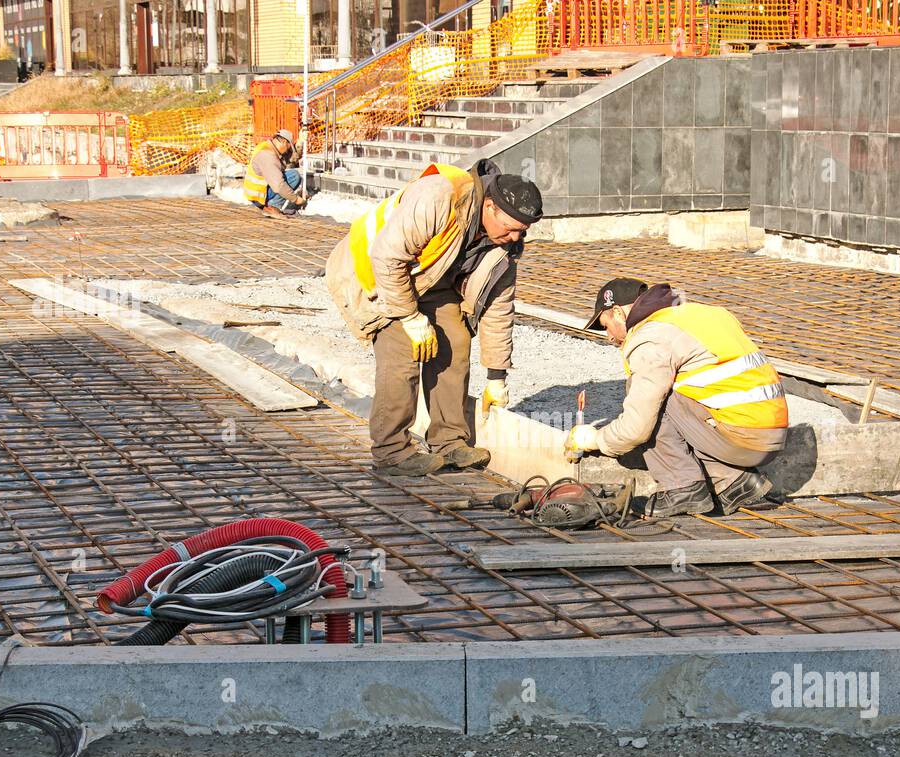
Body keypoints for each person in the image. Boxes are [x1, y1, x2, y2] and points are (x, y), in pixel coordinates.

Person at [326, 159, 543, 477]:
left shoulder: (506, 247)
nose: (514, 238)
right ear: (490, 206)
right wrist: (411, 318)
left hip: (431, 279)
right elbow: (387, 258)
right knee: (403, 356)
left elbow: (499, 309)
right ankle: (391, 451)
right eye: (511, 228)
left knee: (455, 342)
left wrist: (497, 376)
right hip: (377, 276)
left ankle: (449, 442)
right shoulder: (440, 197)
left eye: (521, 231)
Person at [564, 279, 789, 518]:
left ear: (618, 312)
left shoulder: (651, 337)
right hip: (771, 435)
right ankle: (735, 481)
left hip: (739, 436)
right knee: (690, 392)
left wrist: (595, 439)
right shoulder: (702, 314)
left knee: (654, 396)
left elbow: (638, 427)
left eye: (606, 325)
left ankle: (682, 487)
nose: (609, 336)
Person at [243, 129, 306, 218]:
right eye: (288, 148)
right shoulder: (268, 156)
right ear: (284, 142)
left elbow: (291, 158)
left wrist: (300, 143)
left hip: (256, 191)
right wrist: (295, 199)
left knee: (290, 175)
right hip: (258, 195)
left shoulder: (266, 146)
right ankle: (272, 206)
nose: (288, 151)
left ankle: (270, 205)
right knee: (294, 176)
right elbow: (279, 185)